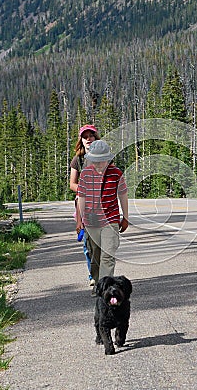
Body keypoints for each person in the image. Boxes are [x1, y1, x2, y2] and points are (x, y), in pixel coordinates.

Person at [77, 140, 129, 295]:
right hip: (91, 221)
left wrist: (125, 217)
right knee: (95, 257)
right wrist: (80, 220)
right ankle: (97, 281)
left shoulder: (116, 174)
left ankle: (104, 289)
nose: (99, 164)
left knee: (108, 255)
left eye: (102, 161)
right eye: (96, 161)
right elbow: (81, 197)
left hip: (110, 220)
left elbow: (123, 195)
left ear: (108, 159)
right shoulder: (86, 174)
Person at [70, 124, 100, 286]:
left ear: (96, 138)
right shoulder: (78, 160)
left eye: (91, 136)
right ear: (81, 140)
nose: (88, 139)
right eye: (85, 136)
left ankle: (104, 274)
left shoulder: (104, 157)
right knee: (88, 244)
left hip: (103, 204)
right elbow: (72, 184)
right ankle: (93, 276)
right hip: (84, 205)